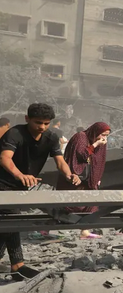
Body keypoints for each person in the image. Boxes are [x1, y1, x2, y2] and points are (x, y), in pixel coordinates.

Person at [0, 103, 81, 281]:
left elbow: (60, 161)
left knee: (5, 223)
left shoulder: (51, 137)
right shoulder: (15, 133)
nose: (42, 127)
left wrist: (69, 174)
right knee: (11, 219)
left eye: (46, 123)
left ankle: (11, 264)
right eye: (38, 122)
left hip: (20, 186)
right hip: (3, 183)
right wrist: (20, 175)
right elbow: (5, 158)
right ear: (27, 119)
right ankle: (18, 266)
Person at [55, 122, 111, 239]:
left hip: (88, 178)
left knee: (91, 202)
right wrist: (95, 144)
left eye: (106, 136)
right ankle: (45, 228)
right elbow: (81, 155)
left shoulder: (100, 142)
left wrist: (97, 177)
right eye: (102, 135)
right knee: (65, 204)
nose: (104, 138)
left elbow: (99, 160)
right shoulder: (81, 137)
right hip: (74, 175)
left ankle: (85, 230)